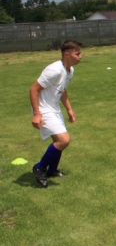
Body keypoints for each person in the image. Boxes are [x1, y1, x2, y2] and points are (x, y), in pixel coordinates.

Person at [30, 40, 83, 188]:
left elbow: (62, 89)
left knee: (59, 142)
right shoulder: (54, 69)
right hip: (43, 109)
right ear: (66, 54)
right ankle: (40, 168)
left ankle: (52, 170)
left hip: (54, 108)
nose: (80, 57)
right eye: (77, 53)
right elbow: (33, 90)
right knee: (64, 140)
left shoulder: (70, 70)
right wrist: (36, 114)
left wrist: (69, 109)